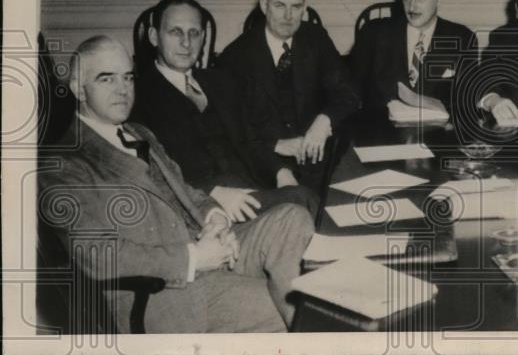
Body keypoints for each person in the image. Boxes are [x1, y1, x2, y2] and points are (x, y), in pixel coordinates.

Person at [37, 36, 313, 333]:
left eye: (128, 77)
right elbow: (97, 254)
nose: (122, 89)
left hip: (203, 248)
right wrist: (195, 257)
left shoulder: (139, 132)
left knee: (292, 217)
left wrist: (215, 218)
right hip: (161, 292)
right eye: (107, 79)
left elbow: (185, 190)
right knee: (293, 308)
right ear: (79, 88)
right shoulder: (63, 164)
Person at [133, 0, 318, 220]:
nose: (186, 43)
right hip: (203, 208)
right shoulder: (137, 96)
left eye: (194, 33)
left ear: (203, 37)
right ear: (154, 37)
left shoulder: (220, 82)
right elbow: (152, 172)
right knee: (306, 200)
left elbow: (251, 140)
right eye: (175, 32)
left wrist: (280, 172)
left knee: (313, 187)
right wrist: (215, 192)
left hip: (253, 190)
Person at [218, 0, 360, 191]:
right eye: (279, 5)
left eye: (296, 7)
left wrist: (324, 121)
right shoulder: (235, 57)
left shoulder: (316, 39)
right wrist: (274, 145)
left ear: (304, 9)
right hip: (265, 165)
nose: (288, 16)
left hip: (318, 157)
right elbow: (232, 131)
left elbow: (348, 93)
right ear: (264, 6)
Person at [350, 0, 478, 115]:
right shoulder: (374, 33)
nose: (412, 7)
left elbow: (467, 99)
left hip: (436, 133)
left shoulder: (462, 38)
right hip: (381, 132)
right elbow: (349, 91)